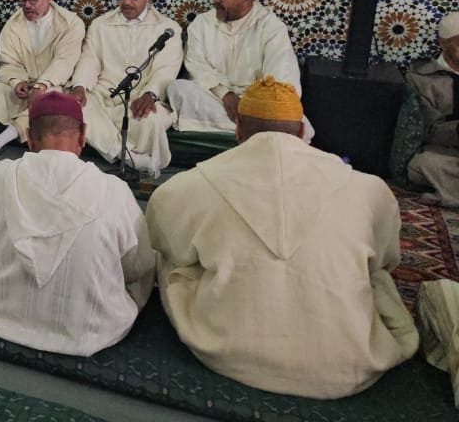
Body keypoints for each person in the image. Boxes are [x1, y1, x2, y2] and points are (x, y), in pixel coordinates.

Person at [147, 77, 418, 399]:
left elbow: (163, 238)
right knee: (373, 274)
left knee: (169, 258)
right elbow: (387, 260)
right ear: (302, 132)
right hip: (350, 361)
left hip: (226, 349)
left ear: (237, 130)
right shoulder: (370, 190)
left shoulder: (186, 187)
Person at [0, 91, 153, 356]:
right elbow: (139, 266)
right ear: (83, 135)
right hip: (92, 328)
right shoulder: (114, 190)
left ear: (29, 138)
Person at [167, 0, 309, 139]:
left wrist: (250, 105)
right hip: (216, 98)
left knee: (300, 124)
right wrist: (225, 94)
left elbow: (281, 76)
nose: (215, 0)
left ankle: (245, 125)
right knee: (178, 89)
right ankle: (254, 130)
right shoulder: (202, 23)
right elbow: (196, 65)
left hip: (256, 104)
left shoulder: (271, 27)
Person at [68, 0, 182, 176]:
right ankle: (130, 158)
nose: (127, 2)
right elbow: (89, 60)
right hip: (103, 95)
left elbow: (166, 69)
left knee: (152, 120)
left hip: (141, 98)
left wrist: (150, 94)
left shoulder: (167, 28)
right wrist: (80, 86)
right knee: (73, 107)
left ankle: (118, 152)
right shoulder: (101, 24)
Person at [0, 0, 85, 158]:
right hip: (25, 87)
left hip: (55, 84)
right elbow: (7, 62)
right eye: (23, 0)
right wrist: (17, 81)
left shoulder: (70, 23)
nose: (27, 5)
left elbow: (65, 61)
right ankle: (2, 136)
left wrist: (41, 86)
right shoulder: (13, 24)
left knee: (49, 99)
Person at [406, 11, 459, 206]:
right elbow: (429, 131)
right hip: (447, 155)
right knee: (423, 165)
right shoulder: (422, 79)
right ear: (443, 43)